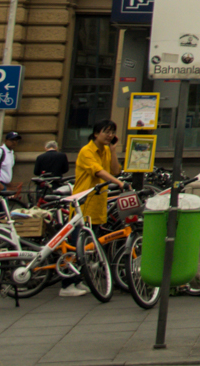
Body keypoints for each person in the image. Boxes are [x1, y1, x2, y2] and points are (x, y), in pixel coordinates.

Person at [71, 120, 127, 297]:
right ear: (96, 134)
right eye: (106, 132)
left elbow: (115, 170)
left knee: (88, 246)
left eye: (112, 132)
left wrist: (112, 150)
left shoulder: (105, 150)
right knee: (76, 245)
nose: (109, 135)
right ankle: (68, 283)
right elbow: (98, 171)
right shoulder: (87, 151)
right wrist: (118, 183)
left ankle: (79, 280)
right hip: (83, 204)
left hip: (97, 204)